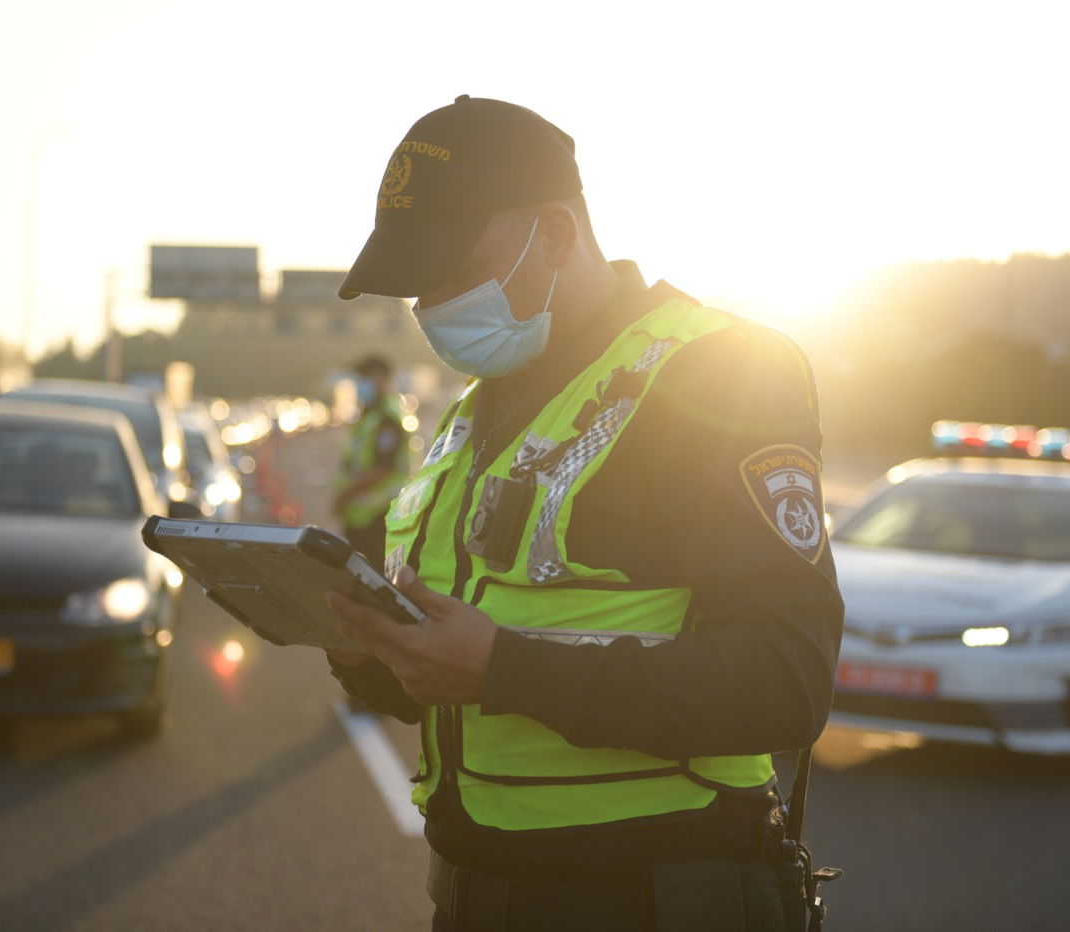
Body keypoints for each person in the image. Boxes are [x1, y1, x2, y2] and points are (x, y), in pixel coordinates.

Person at [323, 95, 844, 932]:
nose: (434, 305)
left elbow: (787, 677)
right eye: (418, 284)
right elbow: (467, 676)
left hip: (655, 900)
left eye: (453, 270)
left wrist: (502, 670)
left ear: (557, 234)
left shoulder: (716, 373)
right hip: (471, 897)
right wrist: (373, 649)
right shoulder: (477, 410)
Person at [331, 354, 409, 569]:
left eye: (366, 377)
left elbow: (381, 470)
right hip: (361, 516)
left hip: (379, 516)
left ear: (383, 379)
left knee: (372, 580)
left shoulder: (387, 418)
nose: (361, 384)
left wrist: (344, 496)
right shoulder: (369, 416)